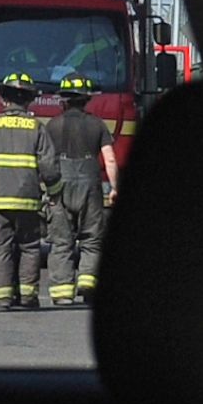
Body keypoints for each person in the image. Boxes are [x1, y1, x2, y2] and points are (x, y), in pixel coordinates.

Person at [0, 72, 61, 312]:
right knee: (29, 247)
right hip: (27, 200)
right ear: (29, 100)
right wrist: (54, 193)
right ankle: (28, 296)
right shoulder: (37, 128)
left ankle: (2, 299)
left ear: (4, 98)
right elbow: (49, 168)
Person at [45, 72, 119, 306]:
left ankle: (62, 292)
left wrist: (45, 187)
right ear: (87, 99)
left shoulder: (52, 125)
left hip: (60, 184)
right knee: (92, 238)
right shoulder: (97, 125)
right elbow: (110, 160)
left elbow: (45, 161)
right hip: (89, 184)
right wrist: (115, 188)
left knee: (61, 240)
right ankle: (87, 282)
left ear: (63, 99)